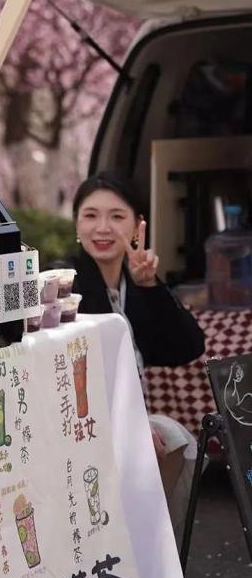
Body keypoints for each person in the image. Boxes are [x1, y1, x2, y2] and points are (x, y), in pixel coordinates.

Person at [71, 171, 205, 543]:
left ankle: (152, 550)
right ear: (77, 224)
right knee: (153, 441)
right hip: (84, 421)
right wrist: (129, 423)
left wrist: (149, 286)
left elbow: (187, 347)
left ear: (137, 227)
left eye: (117, 216)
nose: (102, 228)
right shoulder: (69, 284)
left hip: (130, 418)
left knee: (174, 438)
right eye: (90, 215)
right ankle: (131, 551)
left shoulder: (134, 282)